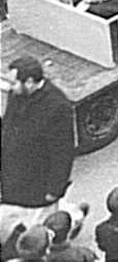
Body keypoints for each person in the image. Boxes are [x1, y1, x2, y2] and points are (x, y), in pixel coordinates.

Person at [0, 55, 74, 238]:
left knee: (37, 232)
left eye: (14, 82)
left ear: (30, 82)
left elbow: (63, 152)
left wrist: (54, 189)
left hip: (37, 186)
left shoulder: (57, 106)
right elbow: (8, 125)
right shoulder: (17, 94)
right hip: (13, 181)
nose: (10, 86)